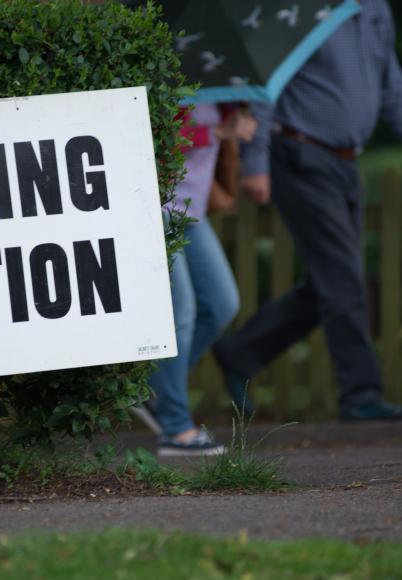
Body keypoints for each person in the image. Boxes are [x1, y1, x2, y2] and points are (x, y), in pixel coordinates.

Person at [213, 0, 402, 422]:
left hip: (347, 160)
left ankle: (240, 353)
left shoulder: (377, 12)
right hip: (299, 152)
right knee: (342, 277)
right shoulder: (305, 9)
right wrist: (256, 163)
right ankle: (361, 394)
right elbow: (268, 80)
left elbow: (392, 88)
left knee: (332, 281)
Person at [142, 102, 256, 456]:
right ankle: (176, 429)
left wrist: (237, 120)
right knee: (182, 313)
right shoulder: (174, 76)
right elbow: (152, 140)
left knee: (222, 304)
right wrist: (216, 133)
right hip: (156, 205)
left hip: (192, 211)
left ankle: (151, 389)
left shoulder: (225, 89)